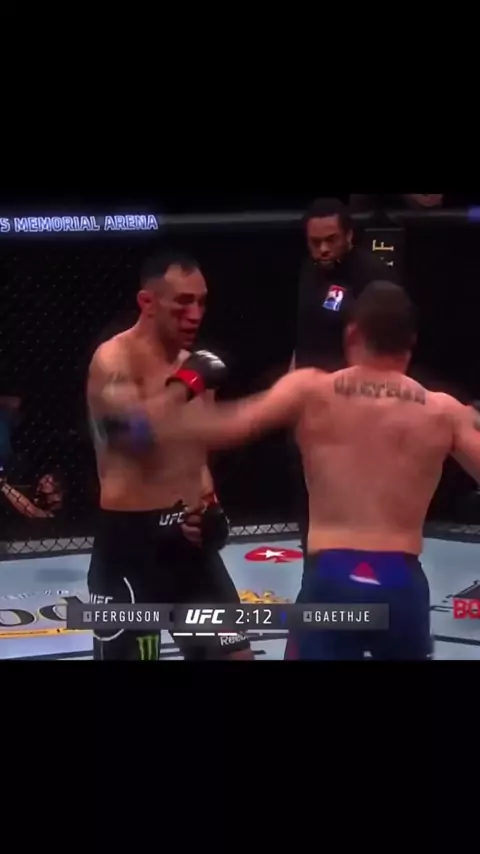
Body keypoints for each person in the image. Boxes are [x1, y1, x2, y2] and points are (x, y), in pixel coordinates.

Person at [160, 281, 480, 659]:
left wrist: (181, 389)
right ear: (411, 341)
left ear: (352, 334)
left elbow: (218, 430)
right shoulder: (444, 411)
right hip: (402, 583)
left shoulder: (312, 390)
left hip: (331, 578)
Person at [86, 251, 253, 660]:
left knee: (235, 656)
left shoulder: (194, 368)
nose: (195, 314)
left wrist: (212, 511)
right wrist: (184, 386)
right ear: (147, 302)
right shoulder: (114, 360)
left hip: (186, 546)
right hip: (129, 548)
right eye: (182, 302)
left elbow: (195, 458)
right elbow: (130, 437)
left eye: (201, 302)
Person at [292, 197, 398, 550]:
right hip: (313, 405)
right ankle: (313, 564)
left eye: (330, 240)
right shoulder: (309, 271)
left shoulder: (373, 278)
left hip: (357, 408)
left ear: (349, 236)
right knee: (310, 497)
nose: (322, 249)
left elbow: (386, 350)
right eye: (315, 242)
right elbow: (304, 334)